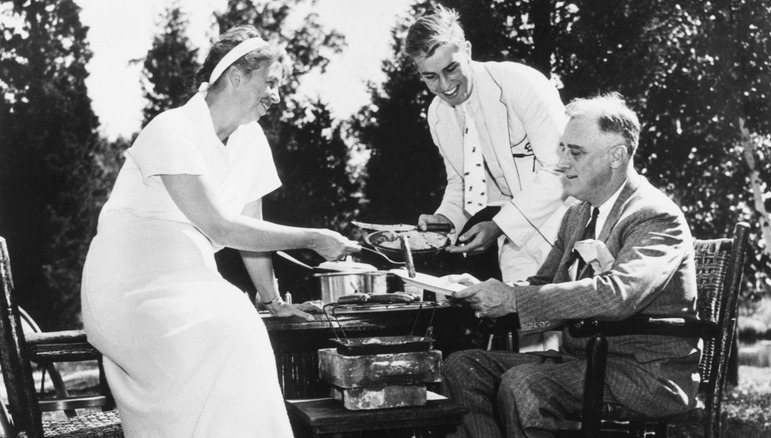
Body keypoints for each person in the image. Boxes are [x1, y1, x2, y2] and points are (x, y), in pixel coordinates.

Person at [81, 25, 360, 437]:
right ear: (236, 76)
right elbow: (220, 225)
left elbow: (252, 230)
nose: (277, 96)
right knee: (229, 326)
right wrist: (313, 237)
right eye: (271, 82)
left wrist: (273, 300)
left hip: (191, 280)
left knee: (241, 327)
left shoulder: (252, 140)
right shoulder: (170, 127)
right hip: (127, 284)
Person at [442, 93, 701, 437]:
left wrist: (515, 300)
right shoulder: (577, 214)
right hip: (584, 362)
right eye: (562, 149)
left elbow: (618, 295)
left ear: (617, 156)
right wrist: (482, 291)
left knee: (524, 383)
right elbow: (541, 283)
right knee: (463, 367)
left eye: (575, 152)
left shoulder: (653, 215)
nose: (562, 163)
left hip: (647, 374)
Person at [404, 5, 570, 284]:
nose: (444, 86)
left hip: (569, 226)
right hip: (516, 243)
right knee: (526, 323)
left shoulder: (521, 83)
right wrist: (443, 221)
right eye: (430, 76)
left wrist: (499, 225)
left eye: (451, 68)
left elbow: (563, 169)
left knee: (578, 325)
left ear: (466, 50)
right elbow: (462, 183)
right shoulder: (438, 115)